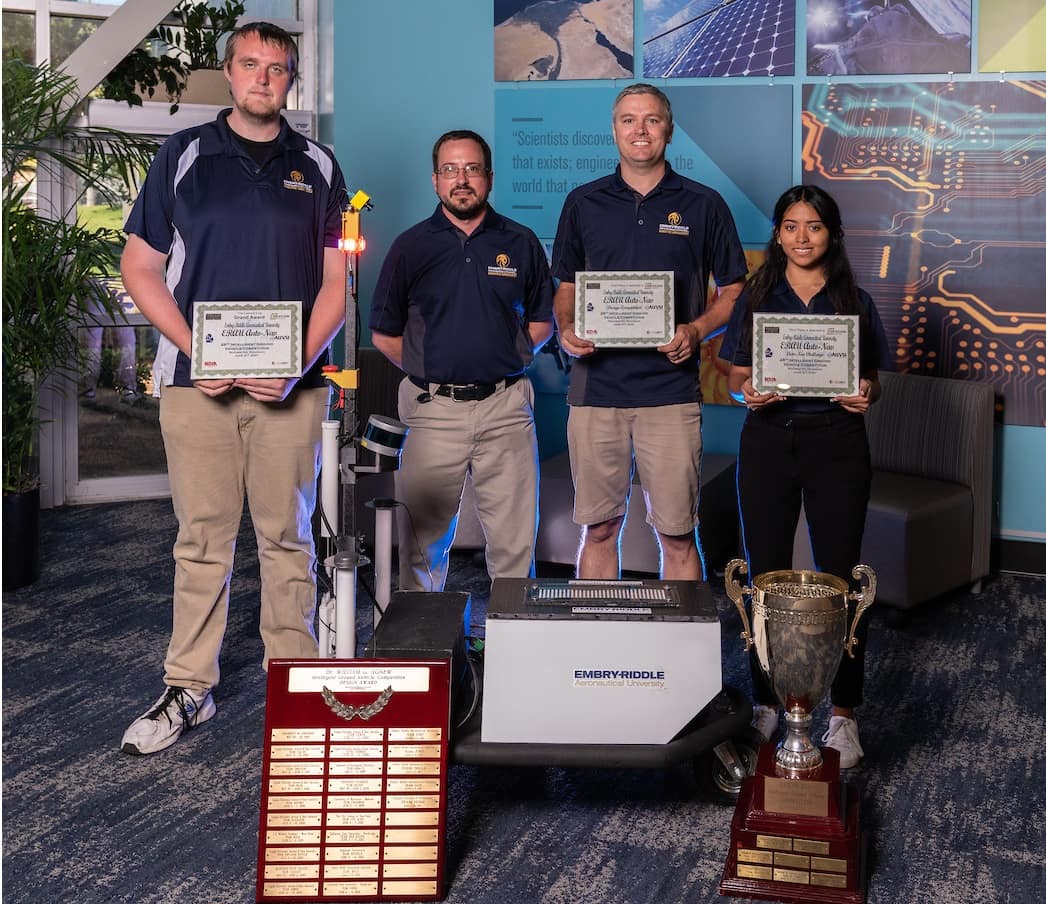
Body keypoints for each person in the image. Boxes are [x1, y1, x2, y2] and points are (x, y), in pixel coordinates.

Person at [118, 22, 348, 755]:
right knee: (202, 539)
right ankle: (190, 686)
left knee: (288, 540)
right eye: (251, 65)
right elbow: (139, 268)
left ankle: (296, 678)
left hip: (292, 388)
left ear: (291, 81)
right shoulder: (183, 154)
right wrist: (198, 353)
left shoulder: (319, 164)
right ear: (229, 72)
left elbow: (338, 285)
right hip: (197, 387)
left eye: (278, 69)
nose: (264, 79)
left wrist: (298, 366)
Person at [718, 184, 891, 768]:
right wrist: (748, 390)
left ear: (831, 235)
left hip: (837, 445)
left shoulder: (855, 300)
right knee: (764, 573)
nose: (801, 237)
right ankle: (768, 703)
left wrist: (866, 393)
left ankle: (844, 715)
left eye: (813, 226)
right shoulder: (757, 297)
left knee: (840, 577)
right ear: (778, 233)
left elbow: (871, 378)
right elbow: (732, 373)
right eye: (790, 226)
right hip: (768, 441)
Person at [551, 83, 748, 580]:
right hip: (596, 392)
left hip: (670, 393)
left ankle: (682, 652)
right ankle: (596, 647)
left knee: (678, 534)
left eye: (652, 119)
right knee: (598, 529)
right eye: (628, 120)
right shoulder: (583, 202)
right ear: (614, 130)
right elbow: (567, 288)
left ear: (669, 130)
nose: (640, 130)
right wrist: (567, 327)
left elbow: (734, 291)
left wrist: (696, 330)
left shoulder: (704, 204)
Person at [369, 130, 555, 592]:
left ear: (489, 178)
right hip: (433, 411)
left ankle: (516, 648)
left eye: (472, 169)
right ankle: (425, 648)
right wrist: (429, 371)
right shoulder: (410, 247)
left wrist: (505, 357)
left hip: (506, 409)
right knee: (422, 544)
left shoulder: (521, 241)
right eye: (451, 170)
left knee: (514, 544)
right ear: (435, 180)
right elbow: (384, 333)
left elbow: (542, 321)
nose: (462, 179)